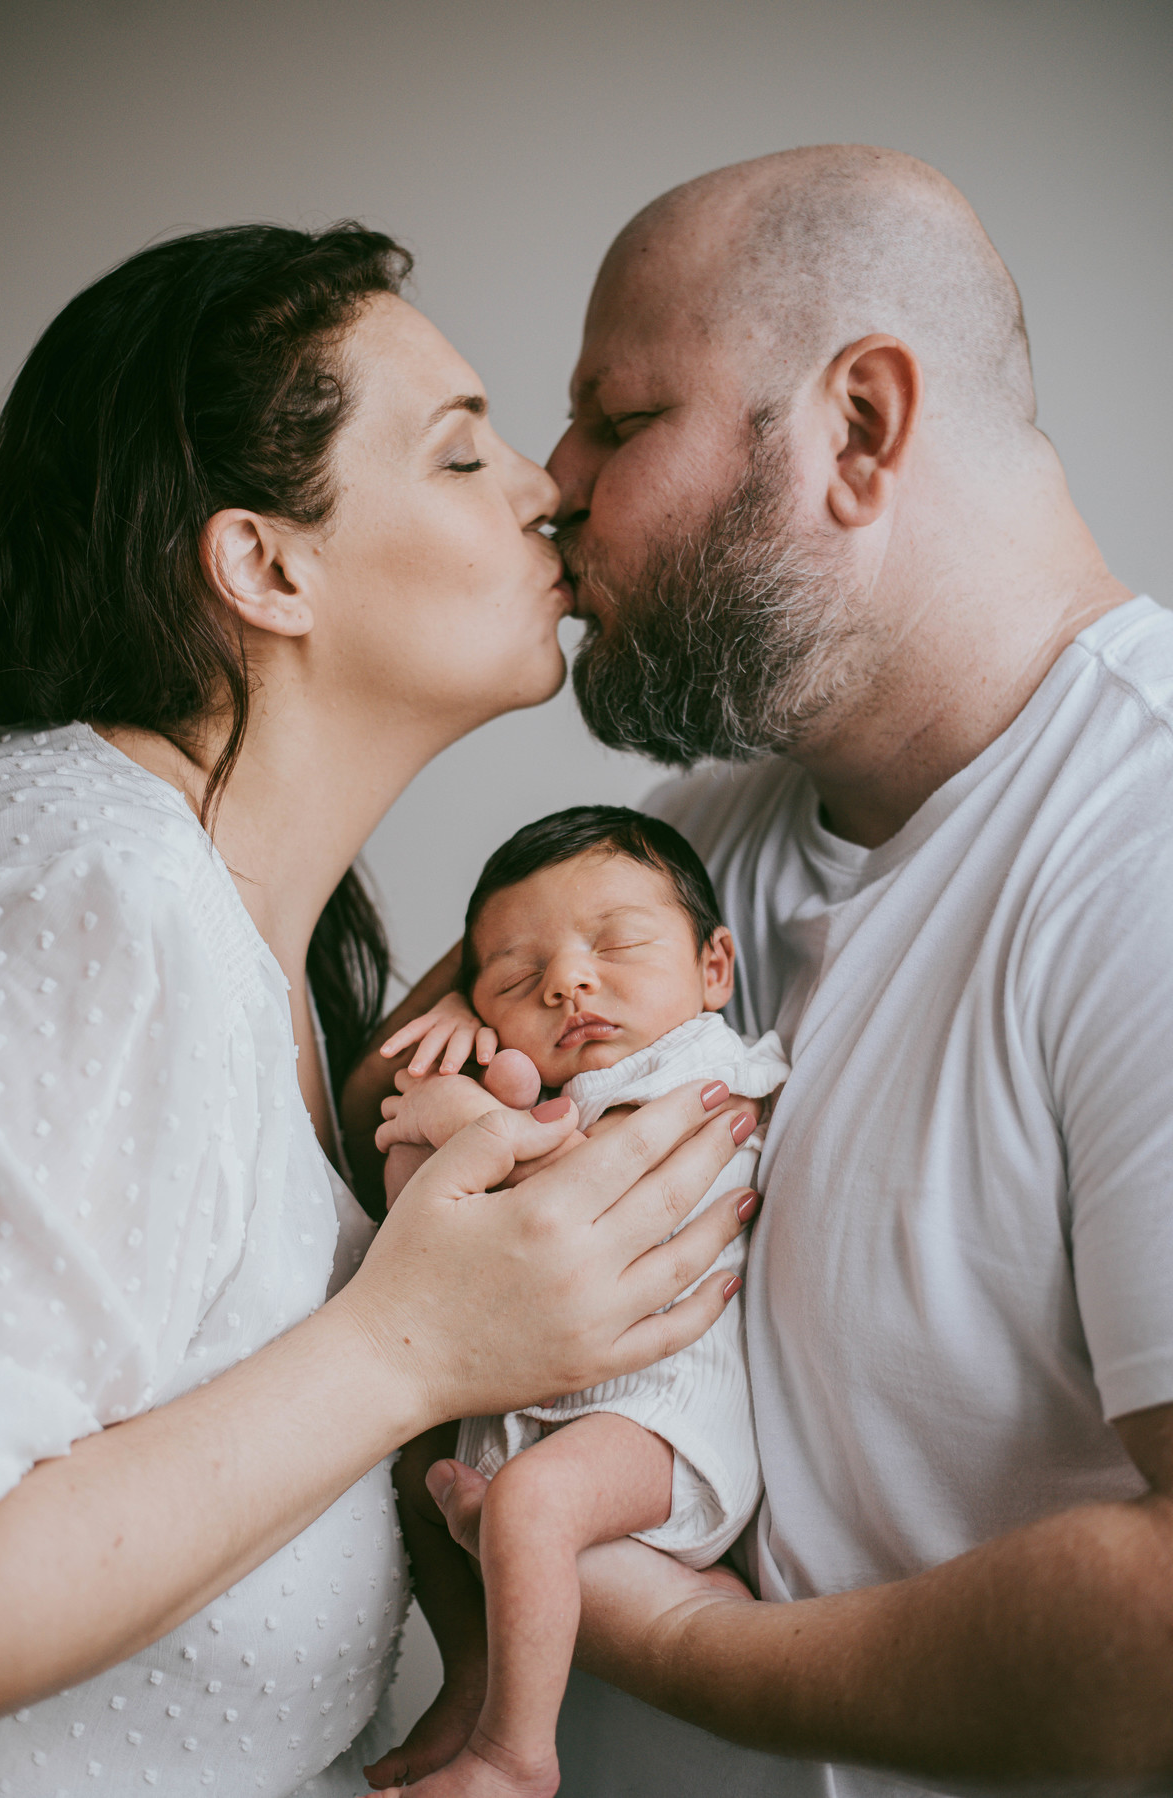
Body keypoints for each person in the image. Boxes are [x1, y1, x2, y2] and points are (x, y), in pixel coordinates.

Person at [411, 147, 1173, 1794]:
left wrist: (681, 1645)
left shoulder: (1146, 849)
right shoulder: (688, 844)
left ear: (861, 428)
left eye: (620, 420)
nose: (551, 483)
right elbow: (378, 1122)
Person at [0, 222, 758, 1797]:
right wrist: (414, 1347)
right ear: (267, 566)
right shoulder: (95, 895)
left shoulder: (283, 953)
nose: (547, 488)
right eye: (463, 454)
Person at [361, 805, 787, 1797]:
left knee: (531, 1503)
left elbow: (570, 1196)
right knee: (409, 1463)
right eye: (517, 979)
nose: (567, 982)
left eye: (618, 945)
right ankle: (474, 1674)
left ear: (713, 967)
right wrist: (461, 1061)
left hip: (659, 1426)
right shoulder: (546, 1091)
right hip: (533, 1406)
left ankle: (515, 1755)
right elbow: (417, 1217)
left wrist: (466, 1112)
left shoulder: (702, 1064)